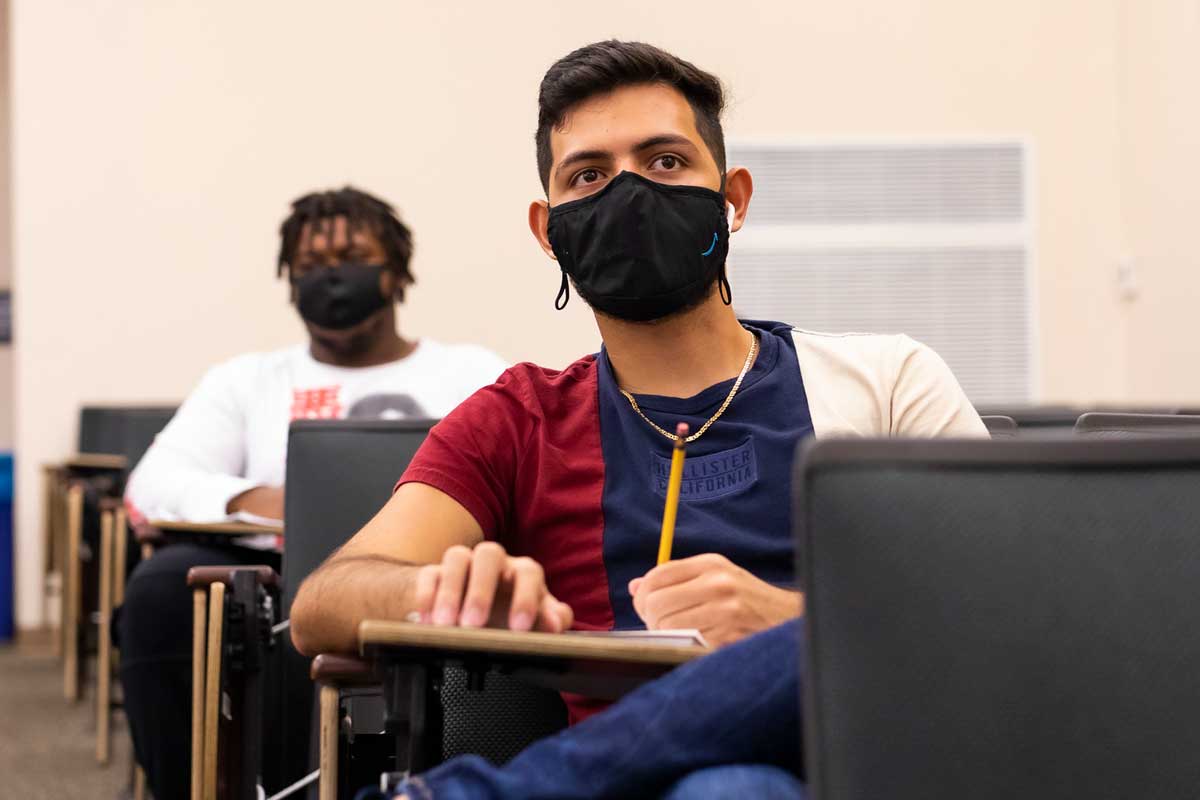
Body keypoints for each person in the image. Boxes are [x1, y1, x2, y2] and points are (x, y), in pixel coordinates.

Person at [290, 42, 986, 797]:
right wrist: (442, 593)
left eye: (664, 162)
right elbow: (322, 602)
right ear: (548, 229)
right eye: (589, 175)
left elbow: (998, 607)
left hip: (877, 762)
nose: (628, 192)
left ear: (734, 199)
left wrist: (789, 621)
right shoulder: (519, 420)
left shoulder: (887, 381)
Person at [118, 186, 507, 799]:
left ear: (396, 272)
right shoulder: (248, 380)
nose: (331, 276)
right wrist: (261, 500)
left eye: (352, 255)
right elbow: (154, 483)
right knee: (160, 590)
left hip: (428, 570)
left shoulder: (471, 372)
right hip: (276, 568)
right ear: (289, 280)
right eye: (310, 266)